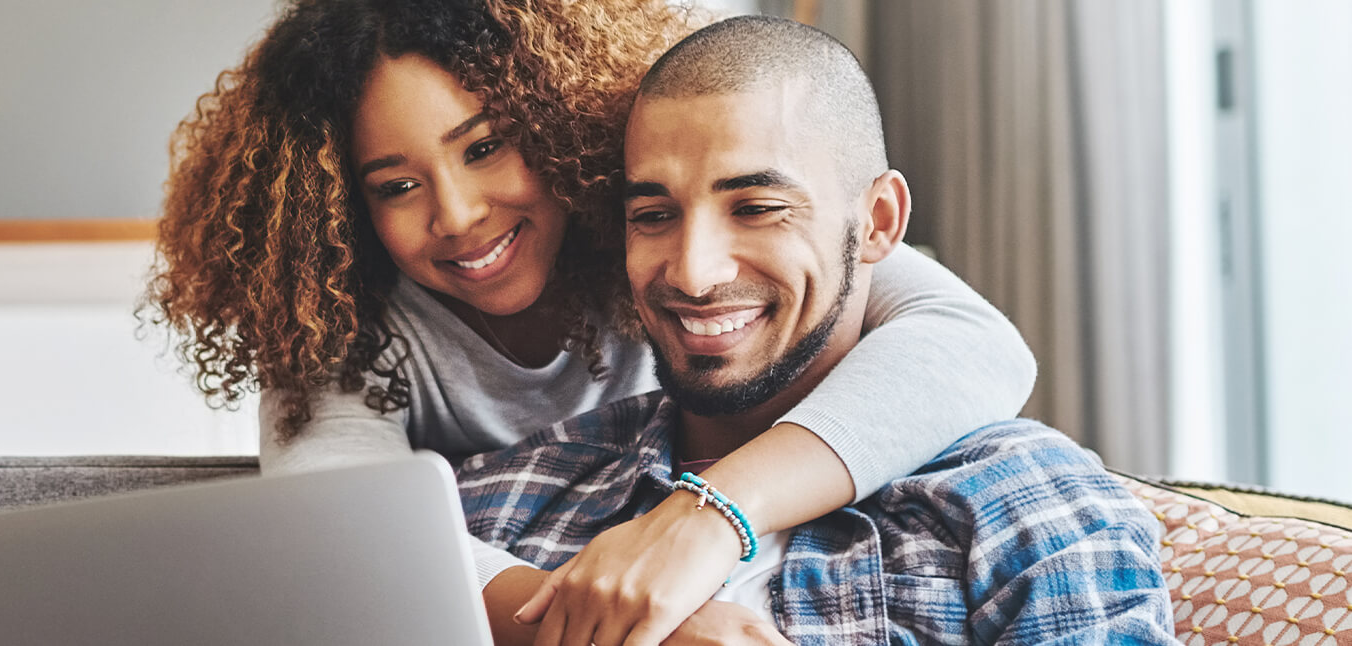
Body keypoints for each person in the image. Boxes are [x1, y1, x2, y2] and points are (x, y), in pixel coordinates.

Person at [144, 0, 1035, 642]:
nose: (455, 215)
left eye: (486, 147)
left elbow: (975, 346)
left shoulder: (667, 233)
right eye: (396, 186)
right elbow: (333, 528)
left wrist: (709, 517)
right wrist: (619, 621)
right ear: (340, 207)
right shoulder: (339, 323)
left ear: (558, 120)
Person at [457, 15, 1175, 646]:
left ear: (880, 222)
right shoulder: (505, 498)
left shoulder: (1025, 506)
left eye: (758, 207)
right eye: (653, 215)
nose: (695, 273)